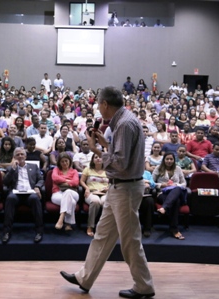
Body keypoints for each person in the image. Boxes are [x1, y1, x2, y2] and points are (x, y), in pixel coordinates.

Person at [60, 86, 155, 298]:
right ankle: (85, 278)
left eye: (98, 105)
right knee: (102, 235)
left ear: (104, 104)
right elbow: (122, 155)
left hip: (126, 187)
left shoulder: (124, 124)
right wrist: (105, 144)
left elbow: (120, 163)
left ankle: (144, 285)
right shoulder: (125, 120)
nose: (98, 109)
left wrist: (96, 150)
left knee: (130, 240)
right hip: (119, 187)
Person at [2, 147, 44, 244]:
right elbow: (5, 182)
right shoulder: (10, 168)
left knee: (35, 198)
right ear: (14, 157)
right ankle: (6, 232)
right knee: (10, 198)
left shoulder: (34, 167)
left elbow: (41, 179)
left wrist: (37, 187)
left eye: (22, 154)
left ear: (25, 156)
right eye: (18, 155)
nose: (20, 156)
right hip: (16, 193)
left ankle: (39, 231)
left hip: (30, 192)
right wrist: (13, 169)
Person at [153, 153, 187, 240]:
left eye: (171, 159)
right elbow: (152, 183)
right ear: (164, 160)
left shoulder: (178, 169)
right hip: (162, 194)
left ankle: (164, 208)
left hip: (176, 192)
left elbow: (184, 183)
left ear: (174, 160)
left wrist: (176, 184)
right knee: (176, 201)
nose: (169, 161)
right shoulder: (158, 168)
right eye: (167, 159)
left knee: (177, 189)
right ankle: (174, 230)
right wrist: (161, 185)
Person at [80, 153, 108, 237]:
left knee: (105, 201)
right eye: (96, 157)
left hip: (105, 193)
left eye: (100, 157)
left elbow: (113, 183)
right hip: (91, 192)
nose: (98, 158)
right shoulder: (88, 169)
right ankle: (90, 227)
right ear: (92, 160)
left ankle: (104, 227)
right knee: (95, 201)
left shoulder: (108, 170)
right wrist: (87, 188)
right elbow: (81, 181)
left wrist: (109, 188)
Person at [51, 152, 80, 231]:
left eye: (66, 161)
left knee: (68, 192)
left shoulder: (74, 171)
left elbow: (76, 182)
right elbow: (55, 178)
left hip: (73, 193)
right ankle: (68, 224)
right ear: (59, 162)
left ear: (70, 161)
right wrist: (68, 181)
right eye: (62, 161)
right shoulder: (56, 169)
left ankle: (61, 218)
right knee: (72, 202)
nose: (64, 163)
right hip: (57, 193)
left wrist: (63, 182)